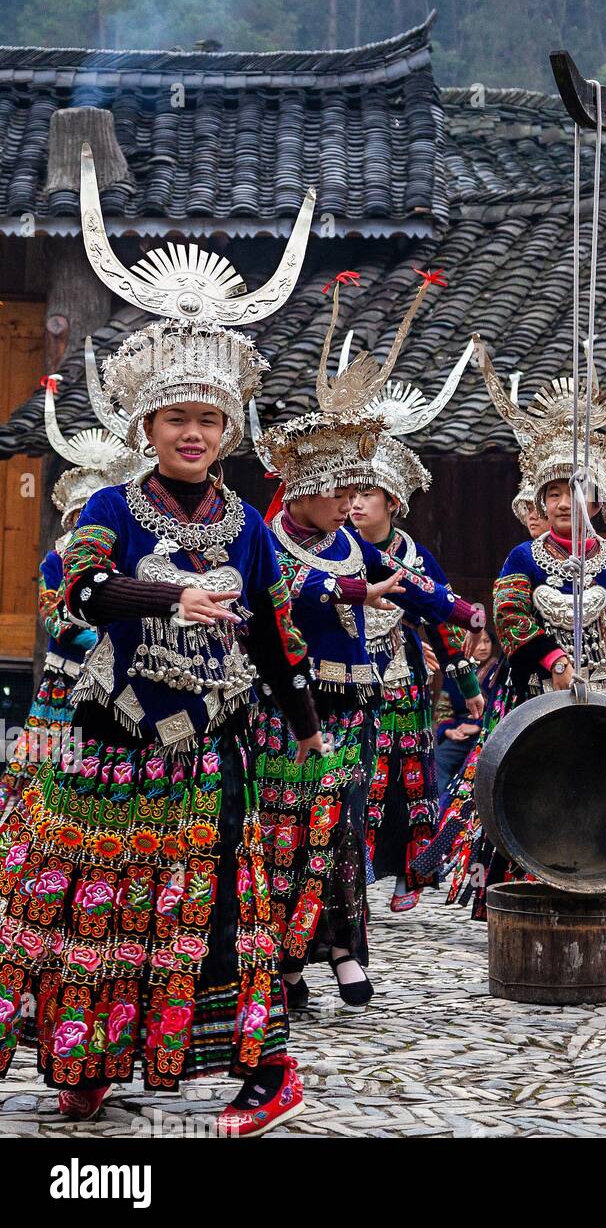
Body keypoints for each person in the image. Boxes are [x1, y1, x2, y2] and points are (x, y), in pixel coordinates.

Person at [0, 146, 321, 1135]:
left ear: (228, 428)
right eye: (177, 417)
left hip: (205, 753)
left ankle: (265, 1074)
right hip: (104, 746)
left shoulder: (250, 526)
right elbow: (76, 588)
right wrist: (166, 598)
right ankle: (85, 1062)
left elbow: (274, 632)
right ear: (147, 421)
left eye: (209, 419)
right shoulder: (108, 506)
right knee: (81, 907)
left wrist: (305, 735)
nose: (193, 433)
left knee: (221, 917)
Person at [254, 271, 480, 1011]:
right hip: (292, 710)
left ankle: (345, 949)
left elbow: (410, 583)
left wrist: (461, 611)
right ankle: (287, 967)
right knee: (289, 837)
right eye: (336, 492)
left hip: (355, 712)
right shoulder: (275, 541)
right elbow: (286, 599)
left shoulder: (350, 542)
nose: (347, 504)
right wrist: (353, 592)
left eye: (355, 493)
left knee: (342, 834)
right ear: (304, 490)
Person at [431, 315, 606, 918]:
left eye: (576, 492)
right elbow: (510, 616)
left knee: (603, 776)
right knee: (526, 777)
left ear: (598, 501)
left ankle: (600, 875)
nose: (563, 503)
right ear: (539, 501)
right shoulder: (524, 555)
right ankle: (516, 881)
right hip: (531, 686)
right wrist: (552, 662)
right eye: (552, 494)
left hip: (600, 686)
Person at [347, 434, 485, 915]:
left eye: (367, 493)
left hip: (401, 677)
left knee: (406, 780)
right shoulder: (336, 547)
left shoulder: (417, 556)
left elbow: (443, 623)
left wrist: (466, 686)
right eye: (351, 492)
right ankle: (353, 876)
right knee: (353, 777)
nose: (356, 502)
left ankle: (413, 869)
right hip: (346, 675)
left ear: (393, 501)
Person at [0, 377, 145, 822]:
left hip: (117, 676)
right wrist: (106, 640)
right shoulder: (55, 560)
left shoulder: (122, 553)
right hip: (68, 676)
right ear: (70, 518)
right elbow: (56, 621)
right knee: (48, 762)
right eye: (79, 515)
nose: (87, 522)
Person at [434, 628, 499, 797]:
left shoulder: (499, 671)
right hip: (458, 730)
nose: (483, 647)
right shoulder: (455, 670)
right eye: (478, 641)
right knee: (441, 756)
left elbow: (500, 705)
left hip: (488, 731)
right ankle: (440, 809)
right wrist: (449, 731)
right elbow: (443, 706)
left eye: (487, 641)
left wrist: (478, 726)